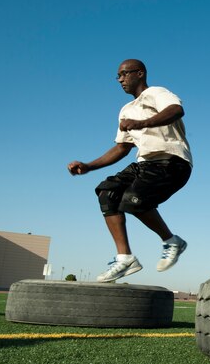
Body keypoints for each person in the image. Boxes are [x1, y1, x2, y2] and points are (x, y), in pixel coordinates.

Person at [68, 59, 193, 283]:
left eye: (124, 74)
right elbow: (122, 148)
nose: (120, 80)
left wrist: (141, 123)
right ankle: (125, 258)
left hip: (172, 162)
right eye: (117, 76)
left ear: (140, 74)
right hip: (144, 163)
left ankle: (171, 240)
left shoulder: (156, 93)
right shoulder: (126, 111)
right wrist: (89, 166)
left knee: (133, 200)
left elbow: (176, 110)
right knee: (107, 192)